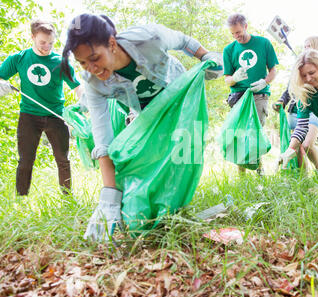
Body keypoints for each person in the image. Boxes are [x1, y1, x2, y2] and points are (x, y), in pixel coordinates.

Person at [61, 13, 223, 241]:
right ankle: (158, 211)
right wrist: (109, 197)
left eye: (95, 58)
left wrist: (206, 56)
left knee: (182, 157)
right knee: (147, 160)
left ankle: (178, 207)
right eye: (83, 63)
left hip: (179, 100)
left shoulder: (148, 38)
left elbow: (183, 41)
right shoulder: (93, 83)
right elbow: (103, 139)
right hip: (146, 116)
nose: (92, 68)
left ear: (112, 43)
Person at [0, 19, 82, 196]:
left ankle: (67, 198)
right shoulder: (19, 58)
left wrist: (84, 103)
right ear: (33, 37)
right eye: (43, 42)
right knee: (25, 161)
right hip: (29, 115)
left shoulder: (61, 62)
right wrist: (2, 85)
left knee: (63, 160)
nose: (47, 46)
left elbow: (77, 87)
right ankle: (21, 198)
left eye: (51, 43)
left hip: (56, 115)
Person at [223, 13, 279, 175]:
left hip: (259, 95)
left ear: (246, 26)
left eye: (238, 32)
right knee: (239, 134)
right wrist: (234, 78)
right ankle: (242, 176)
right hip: (238, 97)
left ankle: (260, 171)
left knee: (255, 132)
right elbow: (227, 80)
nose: (236, 36)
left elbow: (274, 70)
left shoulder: (263, 43)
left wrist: (265, 82)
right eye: (233, 34)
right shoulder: (229, 50)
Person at [273, 36, 318, 170]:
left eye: (309, 46)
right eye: (304, 47)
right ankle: (303, 180)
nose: (305, 49)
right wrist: (282, 101)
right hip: (297, 108)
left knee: (307, 144)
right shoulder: (300, 67)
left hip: (316, 110)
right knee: (297, 148)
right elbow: (291, 88)